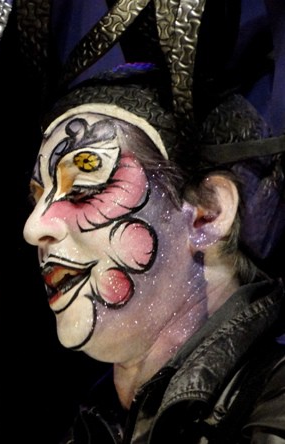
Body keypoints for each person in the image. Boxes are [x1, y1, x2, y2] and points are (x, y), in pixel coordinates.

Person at [23, 63, 285, 443]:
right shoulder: (91, 428)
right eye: (38, 198)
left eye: (81, 190)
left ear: (207, 214)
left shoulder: (273, 407)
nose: (33, 228)